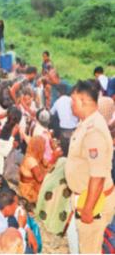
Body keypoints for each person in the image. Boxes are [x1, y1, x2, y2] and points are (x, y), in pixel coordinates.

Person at [65, 80, 114, 253]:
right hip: (86, 198)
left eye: (73, 100)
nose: (71, 105)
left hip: (93, 202)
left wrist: (88, 209)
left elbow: (98, 175)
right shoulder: (86, 123)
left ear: (83, 101)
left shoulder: (94, 131)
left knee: (89, 250)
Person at [50, 84, 78, 156]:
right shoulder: (72, 100)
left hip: (63, 130)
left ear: (58, 93)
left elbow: (51, 113)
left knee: (65, 152)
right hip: (75, 128)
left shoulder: (57, 102)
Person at [19, 136, 47, 205]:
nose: (44, 148)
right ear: (39, 147)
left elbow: (45, 163)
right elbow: (39, 179)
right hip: (28, 192)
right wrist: (47, 172)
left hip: (26, 187)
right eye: (43, 145)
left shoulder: (30, 154)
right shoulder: (31, 161)